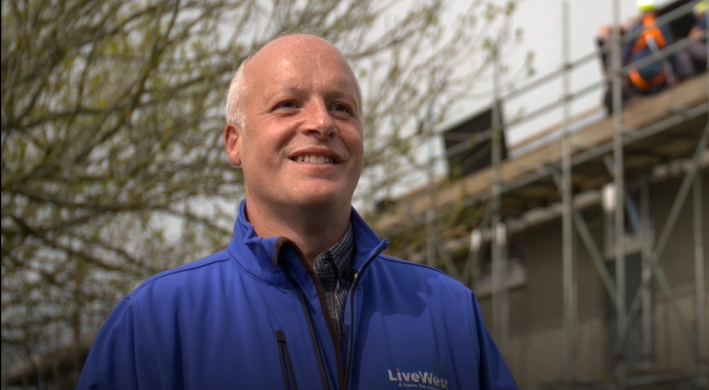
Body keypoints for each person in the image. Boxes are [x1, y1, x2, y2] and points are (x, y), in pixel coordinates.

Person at [76, 34, 518, 390]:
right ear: (234, 142)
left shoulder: (448, 311)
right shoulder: (154, 324)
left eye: (341, 108)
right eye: (288, 104)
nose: (322, 123)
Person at [622, 0, 676, 96]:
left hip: (639, 79)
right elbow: (671, 51)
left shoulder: (635, 30)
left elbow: (625, 55)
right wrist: (674, 73)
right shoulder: (661, 26)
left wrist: (623, 75)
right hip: (660, 76)